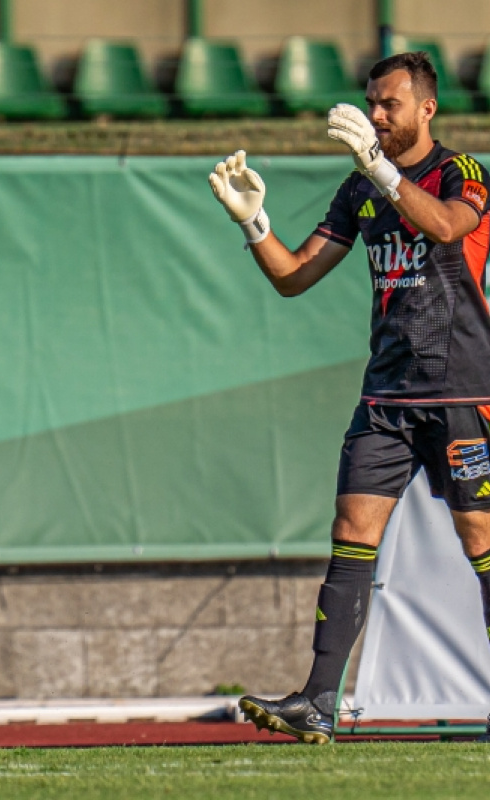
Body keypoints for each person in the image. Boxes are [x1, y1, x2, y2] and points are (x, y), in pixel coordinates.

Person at [208, 50, 490, 745]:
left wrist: (383, 169)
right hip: (386, 398)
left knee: (481, 540)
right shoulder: (359, 188)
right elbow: (295, 276)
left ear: (427, 108)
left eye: (389, 104)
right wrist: (253, 221)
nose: (375, 116)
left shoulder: (462, 172)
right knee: (350, 534)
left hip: (463, 391)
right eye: (371, 102)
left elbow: (448, 227)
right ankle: (319, 702)